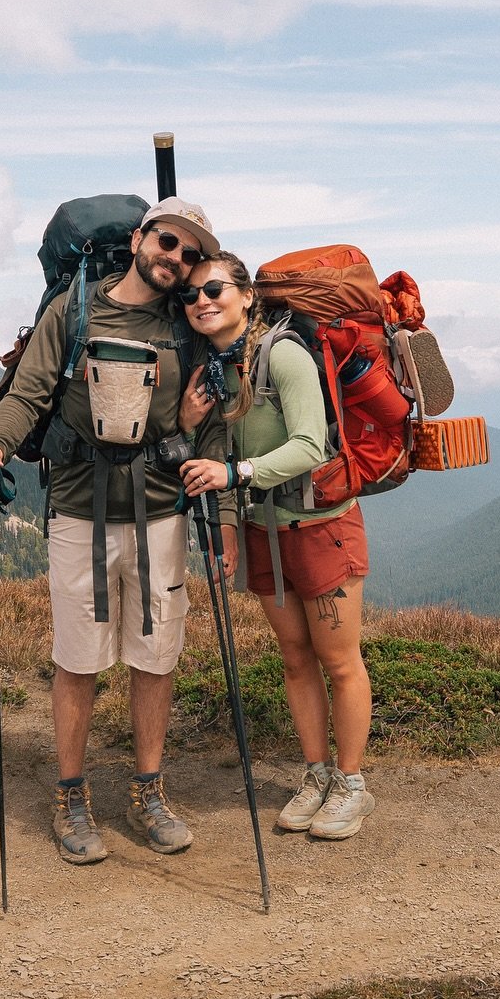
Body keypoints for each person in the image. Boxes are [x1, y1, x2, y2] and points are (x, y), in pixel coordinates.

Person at [0, 197, 237, 867]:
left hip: (163, 514)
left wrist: (223, 522)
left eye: (190, 254)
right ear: (141, 237)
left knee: (156, 657)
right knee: (78, 659)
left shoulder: (187, 327)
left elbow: (211, 427)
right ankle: (70, 796)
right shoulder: (73, 310)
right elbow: (28, 393)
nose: (176, 258)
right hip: (78, 512)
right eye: (168, 242)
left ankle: (149, 791)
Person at [176, 252, 376, 840]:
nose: (201, 301)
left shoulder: (282, 354)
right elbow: (222, 455)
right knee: (294, 658)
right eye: (190, 295)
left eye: (214, 289)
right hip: (264, 530)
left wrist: (235, 476)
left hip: (322, 527)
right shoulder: (219, 369)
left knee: (339, 661)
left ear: (245, 296)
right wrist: (228, 529)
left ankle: (351, 784)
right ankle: (316, 775)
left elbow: (311, 445)